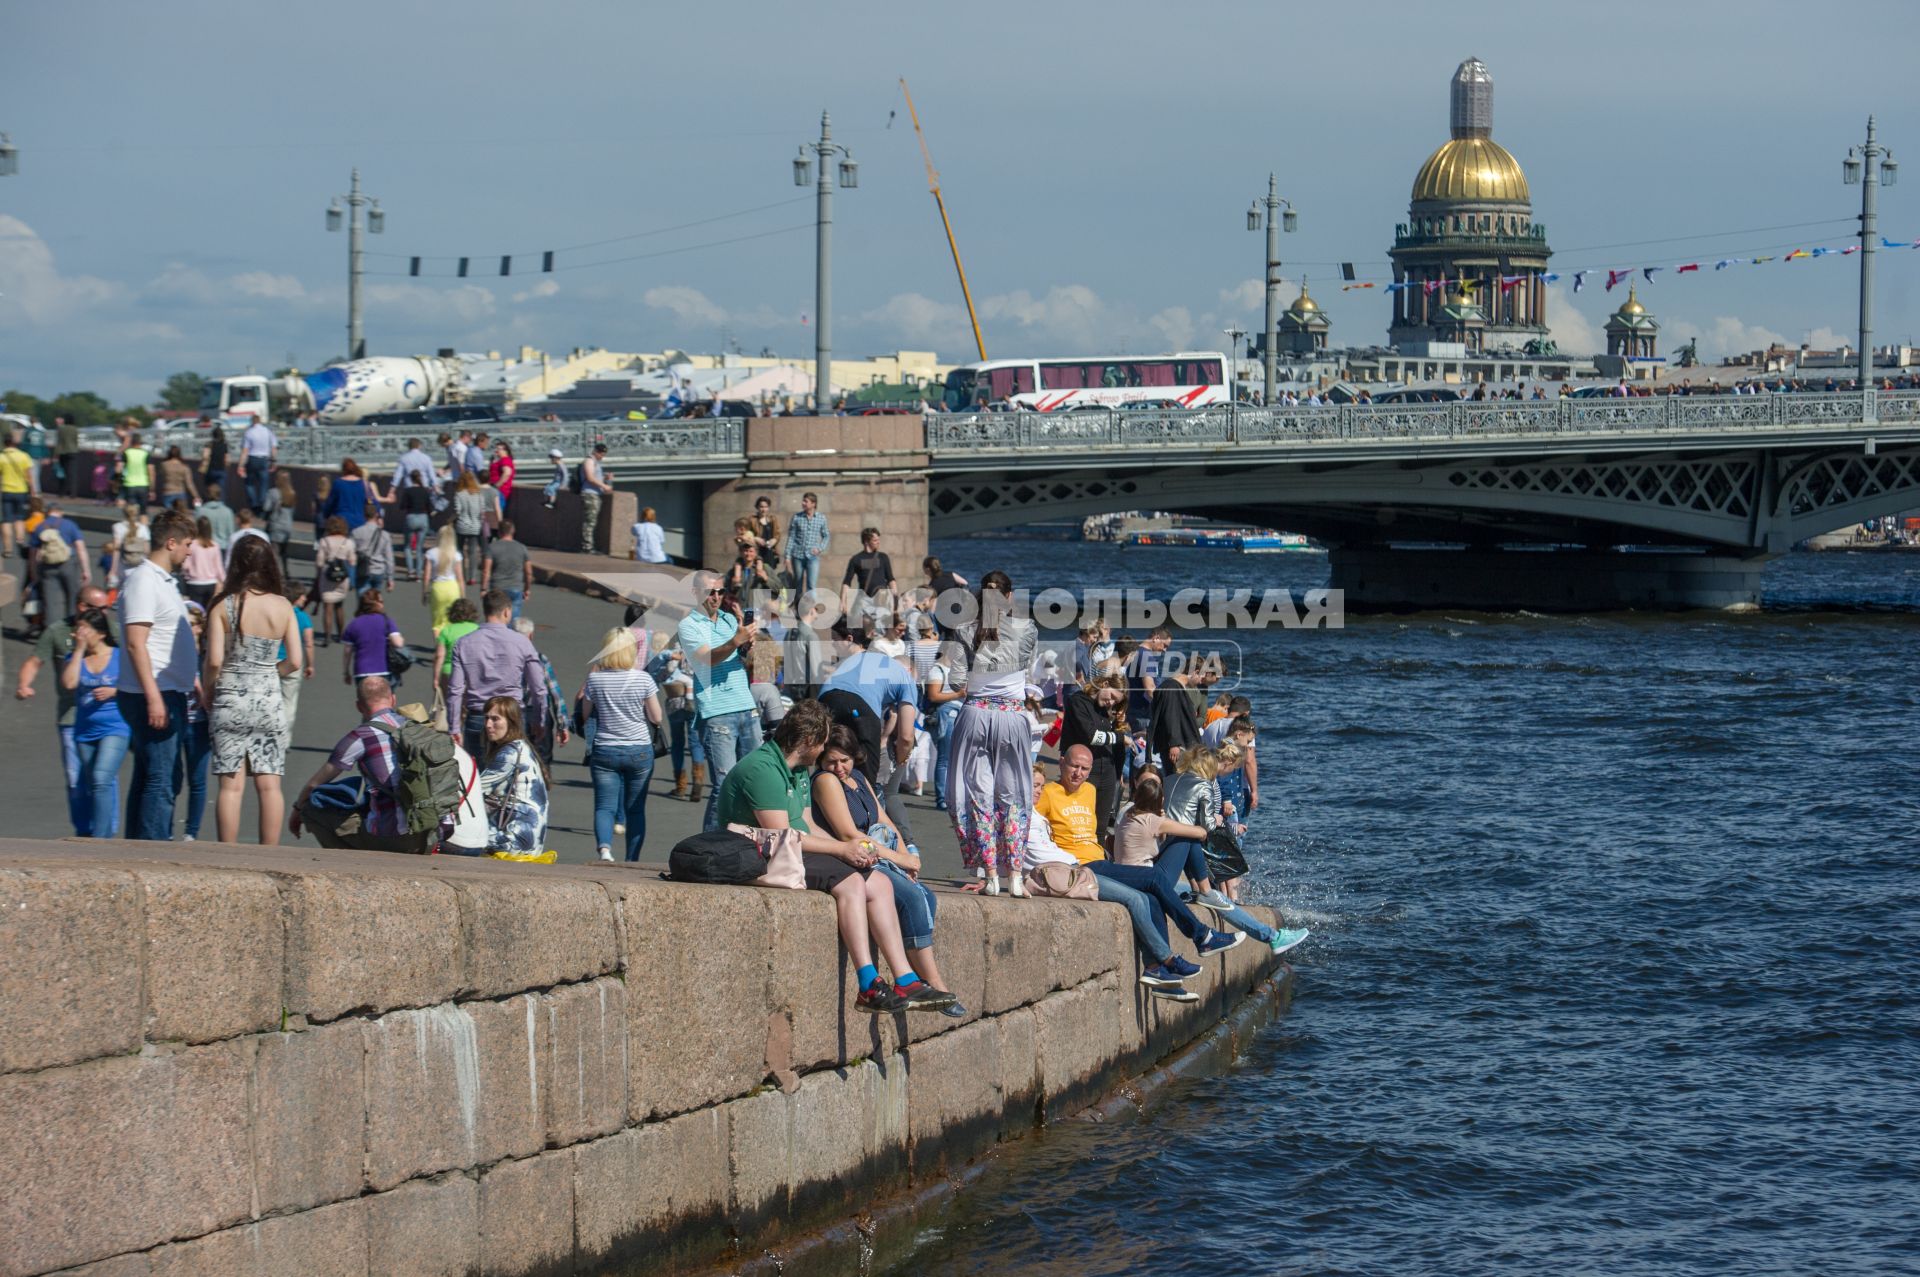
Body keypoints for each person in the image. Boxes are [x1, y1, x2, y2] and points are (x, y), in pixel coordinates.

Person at [714, 700, 947, 1014]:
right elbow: (782, 836)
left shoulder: (797, 770)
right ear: (810, 742)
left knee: (879, 884)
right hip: (760, 854)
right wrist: (841, 849)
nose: (824, 749)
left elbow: (807, 825)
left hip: (792, 848)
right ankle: (868, 983)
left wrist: (855, 850)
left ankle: (905, 978)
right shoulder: (763, 770)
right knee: (851, 883)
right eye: (823, 742)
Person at [811, 724, 964, 1017]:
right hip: (857, 856)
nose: (839, 767)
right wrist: (899, 859)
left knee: (925, 896)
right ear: (821, 761)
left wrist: (907, 854)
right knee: (912, 897)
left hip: (882, 854)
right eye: (831, 761)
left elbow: (883, 818)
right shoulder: (826, 781)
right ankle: (930, 982)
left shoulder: (858, 778)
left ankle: (914, 980)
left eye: (844, 760)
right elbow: (848, 834)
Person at [1115, 770, 1307, 956]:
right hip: (1149, 883)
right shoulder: (1152, 819)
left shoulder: (1127, 813)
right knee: (1187, 839)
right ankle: (1210, 895)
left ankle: (1267, 933)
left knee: (1213, 893)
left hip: (1140, 878)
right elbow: (1200, 832)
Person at [290, 679, 477, 853]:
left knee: (312, 810)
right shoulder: (419, 730)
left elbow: (314, 785)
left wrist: (298, 810)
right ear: (393, 699)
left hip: (393, 837)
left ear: (359, 706)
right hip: (432, 834)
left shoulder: (360, 737)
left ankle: (354, 867)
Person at [944, 570, 1039, 895]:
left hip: (975, 714)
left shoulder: (963, 631)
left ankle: (990, 875)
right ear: (1009, 597)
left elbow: (956, 682)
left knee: (977, 795)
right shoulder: (1027, 628)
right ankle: (1014, 874)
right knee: (1014, 795)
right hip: (1012, 716)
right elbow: (1028, 671)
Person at [203, 536, 300, 845]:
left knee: (231, 787)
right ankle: (268, 854)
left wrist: (209, 689)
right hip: (268, 701)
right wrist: (271, 673)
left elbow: (215, 659)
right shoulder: (282, 605)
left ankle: (228, 854)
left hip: (230, 696)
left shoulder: (223, 605)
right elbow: (296, 661)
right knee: (269, 785)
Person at [117, 508, 200, 841]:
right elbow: (137, 644)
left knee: (152, 774)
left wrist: (189, 681)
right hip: (153, 693)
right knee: (161, 779)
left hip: (168, 690)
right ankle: (153, 851)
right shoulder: (143, 580)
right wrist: (153, 697)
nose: (190, 551)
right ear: (171, 542)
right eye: (188, 544)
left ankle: (139, 844)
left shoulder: (163, 581)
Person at [15, 584, 120, 835]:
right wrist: (24, 684)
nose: (104, 612)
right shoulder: (57, 631)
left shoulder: (109, 628)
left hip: (109, 715)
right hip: (72, 717)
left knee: (104, 777)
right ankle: (83, 832)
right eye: (98, 608)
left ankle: (107, 834)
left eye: (106, 607)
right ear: (81, 607)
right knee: (77, 780)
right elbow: (34, 661)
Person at [676, 569, 762, 830]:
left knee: (757, 782)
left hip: (746, 706)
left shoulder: (728, 620)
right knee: (724, 786)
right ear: (695, 593)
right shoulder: (688, 625)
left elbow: (743, 660)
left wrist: (747, 645)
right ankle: (709, 848)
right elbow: (706, 659)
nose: (715, 597)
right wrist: (735, 642)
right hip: (717, 712)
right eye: (709, 592)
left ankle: (746, 843)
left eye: (720, 591)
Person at [581, 627, 662, 862]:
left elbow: (585, 714)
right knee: (635, 808)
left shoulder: (594, 680)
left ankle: (605, 850)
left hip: (605, 747)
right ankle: (632, 858)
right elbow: (656, 717)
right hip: (638, 749)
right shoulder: (643, 679)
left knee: (604, 805)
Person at [448, 589, 548, 760]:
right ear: (507, 612)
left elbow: (455, 690)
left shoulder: (463, 643)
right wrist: (539, 720)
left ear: (485, 611)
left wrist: (454, 727)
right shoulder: (522, 642)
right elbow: (538, 688)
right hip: (511, 716)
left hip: (478, 716)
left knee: (479, 780)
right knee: (510, 775)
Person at [820, 620, 917, 789]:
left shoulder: (856, 660)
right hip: (859, 705)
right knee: (865, 782)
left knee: (827, 765)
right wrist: (902, 759)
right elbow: (907, 736)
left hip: (825, 698)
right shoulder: (907, 679)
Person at [60, 607, 131, 840]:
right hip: (85, 729)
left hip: (115, 726)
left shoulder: (120, 656)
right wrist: (79, 650)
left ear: (100, 633)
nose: (78, 633)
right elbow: (69, 684)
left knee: (102, 777)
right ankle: (104, 829)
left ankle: (100, 839)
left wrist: (114, 691)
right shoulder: (75, 658)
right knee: (95, 783)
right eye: (76, 628)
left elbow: (135, 686)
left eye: (84, 629)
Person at [1060, 671, 1131, 842]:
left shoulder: (1106, 710)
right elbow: (1091, 736)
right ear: (1105, 684)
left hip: (1107, 770)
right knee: (1079, 820)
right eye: (1112, 696)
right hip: (1083, 771)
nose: (1111, 702)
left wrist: (1119, 771)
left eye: (1116, 701)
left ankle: (1097, 861)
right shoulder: (1078, 701)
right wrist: (1121, 738)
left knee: (1101, 825)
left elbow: (1114, 745)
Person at [479, 696, 548, 854]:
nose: (488, 725)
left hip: (514, 840)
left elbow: (474, 790)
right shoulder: (520, 746)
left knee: (455, 829)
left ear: (512, 721)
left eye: (495, 719)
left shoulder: (509, 754)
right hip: (530, 841)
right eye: (486, 718)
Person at [514, 616, 571, 767]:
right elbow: (555, 693)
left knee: (515, 759)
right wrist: (562, 724)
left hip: (514, 713)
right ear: (531, 636)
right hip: (540, 713)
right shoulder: (540, 659)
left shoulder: (506, 659)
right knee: (542, 759)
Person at [31, 501, 89, 627]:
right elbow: (80, 548)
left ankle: (52, 633)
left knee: (50, 602)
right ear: (60, 512)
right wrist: (86, 570)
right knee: (73, 597)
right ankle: (72, 629)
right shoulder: (70, 525)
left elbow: (34, 554)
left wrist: (34, 572)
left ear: (47, 512)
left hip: (47, 566)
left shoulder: (40, 526)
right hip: (68, 564)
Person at [341, 587, 406, 685]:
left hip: (361, 671)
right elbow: (398, 643)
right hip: (383, 670)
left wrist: (346, 672)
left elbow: (347, 652)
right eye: (381, 601)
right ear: (376, 603)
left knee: (365, 699)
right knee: (385, 699)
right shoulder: (386, 621)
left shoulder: (353, 624)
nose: (382, 604)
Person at [279, 582, 315, 746]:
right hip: (292, 662)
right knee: (289, 702)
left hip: (273, 661)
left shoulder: (278, 613)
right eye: (303, 596)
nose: (305, 599)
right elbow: (308, 643)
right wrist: (310, 665)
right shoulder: (302, 617)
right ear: (297, 597)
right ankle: (283, 740)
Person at [312, 516, 357, 645]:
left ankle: (327, 637)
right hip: (342, 577)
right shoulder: (348, 542)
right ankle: (341, 634)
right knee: (339, 606)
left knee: (328, 607)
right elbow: (352, 561)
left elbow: (319, 562)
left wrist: (318, 575)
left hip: (327, 575)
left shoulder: (324, 541)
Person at [840, 527, 896, 623]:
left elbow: (891, 579)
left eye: (878, 539)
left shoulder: (883, 557)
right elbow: (847, 582)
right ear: (866, 542)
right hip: (864, 600)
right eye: (875, 540)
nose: (878, 542)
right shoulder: (856, 559)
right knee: (859, 628)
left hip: (881, 599)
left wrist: (895, 599)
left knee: (881, 628)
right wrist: (842, 602)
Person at [481, 519, 532, 623]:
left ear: (499, 532)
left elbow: (486, 570)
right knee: (513, 622)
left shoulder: (491, 548)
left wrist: (483, 589)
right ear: (513, 531)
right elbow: (528, 572)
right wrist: (527, 589)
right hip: (516, 588)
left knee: (496, 621)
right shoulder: (522, 548)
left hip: (497, 588)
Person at [423, 523, 466, 635]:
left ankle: (438, 647)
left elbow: (426, 577)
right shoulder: (456, 554)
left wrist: (424, 592)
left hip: (438, 587)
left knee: (437, 621)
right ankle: (450, 644)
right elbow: (460, 578)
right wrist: (463, 596)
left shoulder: (431, 553)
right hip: (452, 587)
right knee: (453, 619)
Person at [784, 491, 828, 595]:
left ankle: (810, 610)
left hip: (812, 557)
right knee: (798, 584)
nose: (803, 503)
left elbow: (826, 535)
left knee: (811, 585)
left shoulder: (821, 518)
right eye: (803, 501)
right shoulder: (797, 517)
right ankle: (799, 609)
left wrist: (820, 548)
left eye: (806, 501)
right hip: (797, 556)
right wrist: (787, 556)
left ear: (813, 504)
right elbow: (791, 537)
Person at [0, 428, 36, 558]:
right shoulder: (24, 456)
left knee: (6, 520)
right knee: (19, 518)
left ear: (5, 443)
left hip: (6, 490)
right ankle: (20, 541)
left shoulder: (2, 457)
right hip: (21, 491)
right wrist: (32, 492)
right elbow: (29, 477)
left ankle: (8, 548)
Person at [180, 517, 224, 610]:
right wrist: (224, 581)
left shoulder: (192, 545)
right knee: (209, 611)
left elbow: (185, 565)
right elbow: (219, 567)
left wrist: (185, 573)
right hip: (211, 583)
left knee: (196, 613)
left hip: (195, 583)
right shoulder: (214, 545)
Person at [396, 471, 434, 581]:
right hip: (423, 518)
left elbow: (402, 506)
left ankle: (410, 571)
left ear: (411, 479)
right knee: (419, 547)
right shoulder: (425, 491)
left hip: (411, 517)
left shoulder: (408, 491)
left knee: (407, 546)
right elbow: (429, 507)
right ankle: (418, 573)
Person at [351, 508, 395, 592]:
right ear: (377, 516)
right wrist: (390, 578)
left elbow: (351, 554)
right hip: (378, 570)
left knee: (363, 600)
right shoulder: (385, 535)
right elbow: (389, 558)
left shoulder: (356, 532)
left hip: (362, 569)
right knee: (375, 600)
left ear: (364, 516)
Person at [579, 442, 612, 552]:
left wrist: (604, 477)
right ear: (596, 452)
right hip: (589, 494)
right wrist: (604, 486)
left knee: (592, 521)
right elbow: (590, 478)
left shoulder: (595, 462)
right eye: (602, 454)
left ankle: (589, 545)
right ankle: (587, 547)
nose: (602, 457)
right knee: (590, 521)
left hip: (595, 494)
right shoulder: (589, 460)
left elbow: (595, 477)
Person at [241, 416, 277, 512]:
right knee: (263, 483)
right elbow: (273, 447)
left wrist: (241, 465)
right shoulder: (268, 431)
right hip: (264, 459)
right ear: (260, 421)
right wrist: (273, 461)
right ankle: (262, 504)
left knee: (249, 483)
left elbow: (245, 450)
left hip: (252, 459)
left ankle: (254, 504)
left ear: (252, 422)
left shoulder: (249, 432)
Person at [263, 470, 296, 574]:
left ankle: (274, 574)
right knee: (284, 552)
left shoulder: (273, 492)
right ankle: (286, 571)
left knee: (274, 552)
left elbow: (266, 507)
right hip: (287, 525)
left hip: (275, 525)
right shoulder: (292, 493)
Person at [154, 445, 199, 511]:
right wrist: (196, 496)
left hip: (168, 492)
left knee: (169, 517)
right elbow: (189, 484)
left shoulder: (164, 465)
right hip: (180, 493)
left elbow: (158, 473)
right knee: (181, 517)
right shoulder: (184, 467)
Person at [118, 433, 152, 510]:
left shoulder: (126, 453)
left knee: (131, 510)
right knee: (143, 512)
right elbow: (151, 472)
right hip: (143, 484)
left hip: (129, 484)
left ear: (131, 442)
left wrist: (118, 480)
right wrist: (152, 489)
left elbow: (119, 469)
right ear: (141, 443)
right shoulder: (146, 453)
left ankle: (131, 522)